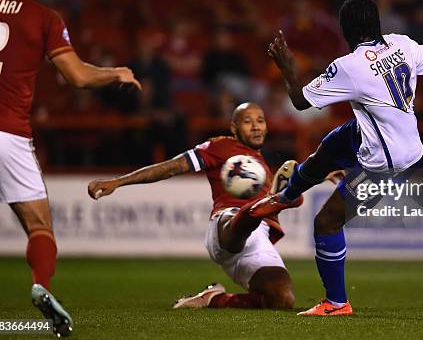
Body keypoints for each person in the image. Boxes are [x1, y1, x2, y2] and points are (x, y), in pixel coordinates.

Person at [250, 0, 423, 315]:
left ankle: (336, 303)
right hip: (396, 142)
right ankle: (286, 195)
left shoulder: (348, 66)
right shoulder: (403, 45)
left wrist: (289, 68)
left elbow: (301, 102)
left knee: (327, 222)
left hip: (387, 164)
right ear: (377, 24)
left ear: (345, 30)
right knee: (328, 149)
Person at [0, 0, 142, 337]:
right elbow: (77, 77)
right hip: (6, 134)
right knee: (40, 228)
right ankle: (42, 286)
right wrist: (115, 72)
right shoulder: (44, 18)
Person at [88, 103, 308, 310]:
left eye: (260, 120)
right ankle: (263, 206)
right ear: (234, 127)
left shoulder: (262, 167)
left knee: (282, 299)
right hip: (226, 226)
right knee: (246, 215)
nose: (256, 126)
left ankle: (215, 298)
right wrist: (119, 181)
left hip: (257, 239)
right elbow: (171, 167)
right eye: (247, 121)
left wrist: (320, 173)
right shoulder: (219, 146)